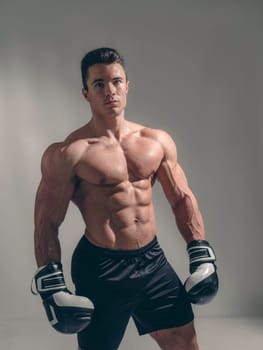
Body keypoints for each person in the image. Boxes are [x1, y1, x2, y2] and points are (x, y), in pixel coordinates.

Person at [32, 47, 218, 350]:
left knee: (184, 343)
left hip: (153, 262)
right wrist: (52, 284)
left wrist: (199, 251)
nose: (110, 90)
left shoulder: (156, 141)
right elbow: (47, 222)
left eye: (116, 81)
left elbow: (182, 199)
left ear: (127, 86)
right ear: (85, 93)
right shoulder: (69, 154)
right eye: (99, 84)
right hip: (102, 268)